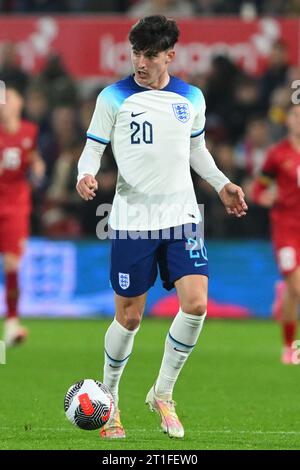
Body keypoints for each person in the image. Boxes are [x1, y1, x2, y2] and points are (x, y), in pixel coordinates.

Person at [76, 15, 247, 439]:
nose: (140, 62)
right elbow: (91, 149)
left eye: (150, 55)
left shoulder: (190, 98)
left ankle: (163, 394)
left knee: (196, 304)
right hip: (132, 220)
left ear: (170, 55)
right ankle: (110, 401)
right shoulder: (112, 98)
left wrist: (222, 184)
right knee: (130, 317)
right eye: (136, 53)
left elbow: (197, 150)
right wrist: (85, 174)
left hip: (182, 217)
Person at [252, 103, 300, 365]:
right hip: (286, 230)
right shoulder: (278, 155)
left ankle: (289, 348)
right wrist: (266, 197)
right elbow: (258, 188)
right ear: (288, 121)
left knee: (293, 294)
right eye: (296, 116)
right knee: (298, 288)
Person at [0, 84, 45, 346]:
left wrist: (38, 166)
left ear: (19, 104)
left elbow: (33, 157)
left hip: (16, 206)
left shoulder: (30, 131)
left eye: (8, 99)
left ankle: (13, 323)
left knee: (12, 265)